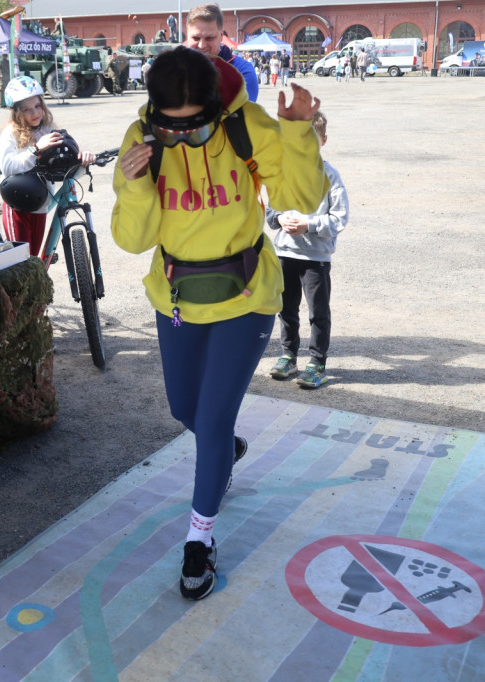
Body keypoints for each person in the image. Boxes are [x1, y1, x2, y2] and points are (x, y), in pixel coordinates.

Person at [111, 46, 327, 600]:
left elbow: (299, 197)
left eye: (196, 130)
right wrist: (136, 185)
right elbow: (133, 240)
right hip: (178, 295)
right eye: (170, 130)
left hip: (248, 292)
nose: (182, 141)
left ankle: (199, 540)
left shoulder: (247, 128)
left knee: (209, 419)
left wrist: (298, 133)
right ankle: (223, 452)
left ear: (217, 111)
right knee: (185, 409)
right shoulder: (142, 145)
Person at [266, 111, 349, 389]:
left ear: (323, 141)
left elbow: (339, 218)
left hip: (315, 259)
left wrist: (309, 224)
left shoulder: (330, 176)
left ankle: (317, 363)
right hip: (285, 254)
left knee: (318, 312)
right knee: (286, 309)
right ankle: (288, 355)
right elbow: (270, 212)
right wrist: (279, 219)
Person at [0, 76, 95, 257]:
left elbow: (66, 156)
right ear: (17, 112)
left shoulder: (48, 129)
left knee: (33, 257)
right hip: (17, 204)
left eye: (37, 106)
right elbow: (8, 166)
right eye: (27, 109)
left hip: (40, 203)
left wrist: (83, 156)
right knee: (20, 261)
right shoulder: (10, 133)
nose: (35, 113)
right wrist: (36, 149)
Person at [185, 3, 259, 102]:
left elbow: (241, 114)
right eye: (196, 38)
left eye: (209, 38)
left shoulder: (242, 71)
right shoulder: (172, 69)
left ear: (221, 36)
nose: (201, 45)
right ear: (187, 36)